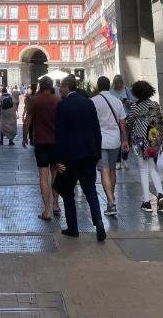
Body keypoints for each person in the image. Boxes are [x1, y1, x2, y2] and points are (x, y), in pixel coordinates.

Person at [54, 74, 106, 242]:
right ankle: (98, 222)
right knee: (90, 190)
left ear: (67, 88)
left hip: (69, 157)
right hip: (89, 155)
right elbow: (96, 130)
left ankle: (73, 228)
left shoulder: (63, 105)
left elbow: (60, 134)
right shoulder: (88, 103)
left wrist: (58, 159)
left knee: (68, 193)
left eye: (61, 87)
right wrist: (97, 153)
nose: (60, 90)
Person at [126, 80, 163, 212]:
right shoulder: (155, 105)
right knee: (153, 169)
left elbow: (129, 122)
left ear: (136, 93)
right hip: (154, 141)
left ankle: (146, 202)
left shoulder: (135, 107)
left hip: (140, 142)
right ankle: (160, 194)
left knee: (143, 170)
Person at [23, 76, 61, 220]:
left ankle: (46, 210)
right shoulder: (57, 100)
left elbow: (28, 119)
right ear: (51, 86)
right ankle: (56, 205)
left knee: (43, 176)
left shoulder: (35, 100)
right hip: (56, 142)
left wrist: (24, 136)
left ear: (40, 86)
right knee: (56, 173)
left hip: (41, 142)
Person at [92, 76, 129, 217]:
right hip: (115, 141)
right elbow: (122, 123)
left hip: (100, 140)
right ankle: (110, 201)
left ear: (98, 86)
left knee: (104, 171)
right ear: (109, 86)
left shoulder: (93, 101)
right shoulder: (117, 101)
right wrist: (125, 140)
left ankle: (111, 202)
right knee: (112, 170)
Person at [111, 74, 133, 170]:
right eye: (117, 84)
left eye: (121, 83)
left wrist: (126, 102)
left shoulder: (126, 90)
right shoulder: (111, 92)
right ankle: (117, 161)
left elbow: (133, 102)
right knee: (117, 139)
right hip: (115, 118)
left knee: (125, 138)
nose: (119, 86)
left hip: (126, 116)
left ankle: (125, 159)